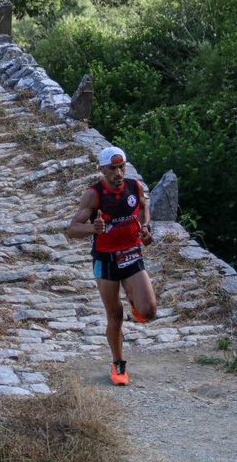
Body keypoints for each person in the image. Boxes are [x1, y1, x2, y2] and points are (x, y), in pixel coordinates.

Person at [66, 146, 157, 386]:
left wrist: (145, 228)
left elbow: (143, 208)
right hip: (105, 260)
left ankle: (134, 299)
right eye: (112, 168)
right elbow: (72, 230)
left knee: (148, 312)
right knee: (115, 314)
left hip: (132, 254)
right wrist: (92, 228)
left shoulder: (134, 187)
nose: (118, 173)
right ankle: (118, 363)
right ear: (102, 170)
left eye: (121, 167)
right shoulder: (94, 194)